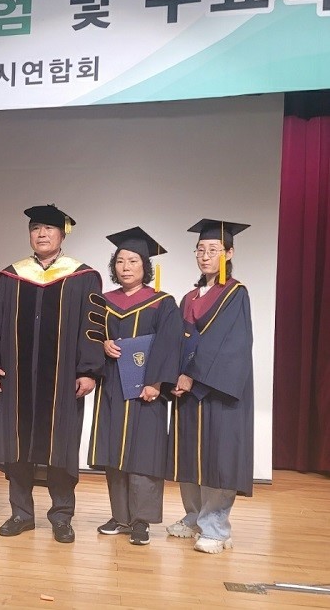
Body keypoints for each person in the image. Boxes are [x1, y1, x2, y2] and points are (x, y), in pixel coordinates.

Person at [0, 204, 105, 544]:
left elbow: (92, 327)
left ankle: (62, 517)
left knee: (60, 446)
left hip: (63, 380)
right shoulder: (10, 276)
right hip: (18, 378)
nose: (41, 234)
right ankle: (21, 514)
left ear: (62, 235)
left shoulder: (83, 277)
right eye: (35, 228)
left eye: (49, 229)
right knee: (17, 445)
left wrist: (88, 370)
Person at [88, 227, 182, 546]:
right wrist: (102, 344)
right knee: (114, 449)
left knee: (144, 453)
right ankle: (120, 516)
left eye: (133, 261)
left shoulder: (162, 303)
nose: (126, 267)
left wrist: (156, 382)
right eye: (120, 261)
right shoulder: (104, 302)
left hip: (146, 390)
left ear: (145, 266)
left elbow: (169, 344)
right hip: (113, 385)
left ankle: (141, 521)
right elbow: (90, 336)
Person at [167, 219, 254, 554]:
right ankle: (194, 517)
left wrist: (192, 376)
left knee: (219, 456)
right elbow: (177, 341)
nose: (205, 256)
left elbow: (227, 344)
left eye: (213, 250)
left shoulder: (235, 293)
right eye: (200, 250)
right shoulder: (188, 297)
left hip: (217, 389)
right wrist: (172, 375)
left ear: (228, 253)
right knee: (189, 453)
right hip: (187, 389)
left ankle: (217, 529)